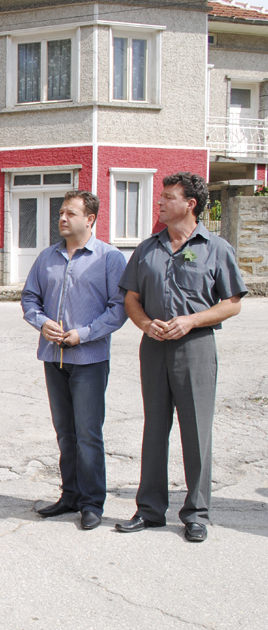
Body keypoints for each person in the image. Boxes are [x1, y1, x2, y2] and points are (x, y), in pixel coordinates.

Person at [115, 172, 246, 543]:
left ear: (190, 204)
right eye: (160, 196)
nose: (159, 202)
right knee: (155, 429)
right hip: (154, 347)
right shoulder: (147, 248)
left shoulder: (216, 248)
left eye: (168, 197)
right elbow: (131, 298)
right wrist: (145, 324)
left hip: (196, 348)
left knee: (196, 432)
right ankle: (150, 510)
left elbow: (232, 303)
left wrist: (192, 320)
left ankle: (196, 513)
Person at [21, 190, 128, 530]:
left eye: (70, 213)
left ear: (90, 219)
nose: (62, 218)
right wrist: (41, 322)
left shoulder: (109, 258)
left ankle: (92, 503)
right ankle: (70, 495)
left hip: (89, 358)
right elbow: (29, 298)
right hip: (53, 357)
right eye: (61, 213)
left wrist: (85, 333)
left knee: (88, 434)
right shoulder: (47, 257)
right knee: (65, 432)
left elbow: (119, 308)